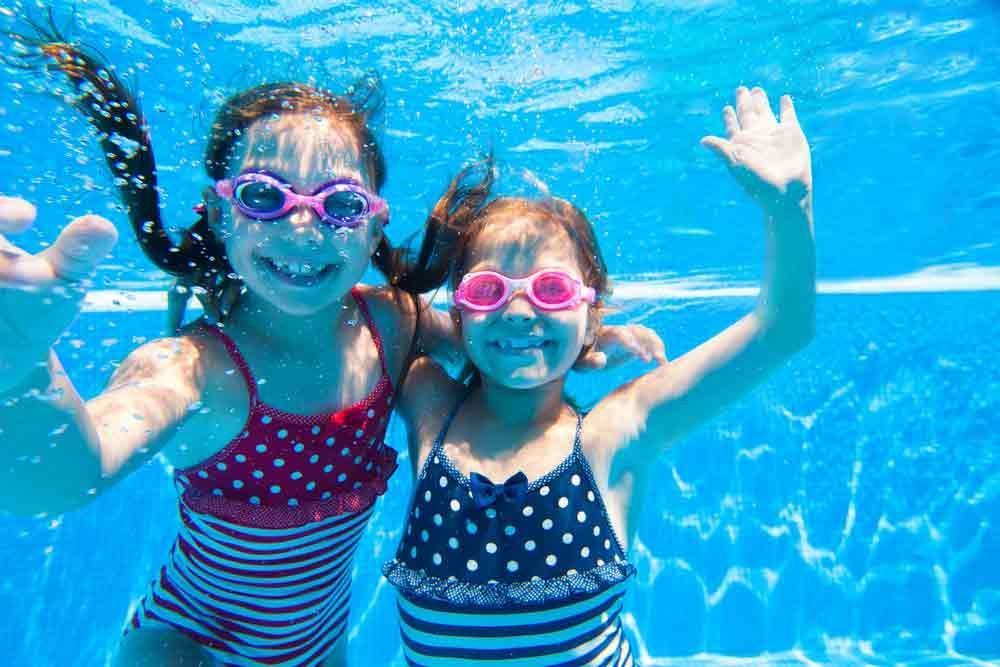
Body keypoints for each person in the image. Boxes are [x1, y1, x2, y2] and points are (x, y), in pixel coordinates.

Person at [0, 34, 663, 666]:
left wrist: (580, 330)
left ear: (373, 221)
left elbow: (491, 334)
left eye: (339, 203)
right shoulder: (194, 370)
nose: (302, 225)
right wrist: (18, 366)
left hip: (318, 647)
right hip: (187, 639)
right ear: (220, 212)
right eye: (263, 195)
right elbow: (61, 476)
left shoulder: (394, 326)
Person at [383, 86, 816, 666]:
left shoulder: (618, 431)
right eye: (489, 291)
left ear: (593, 310)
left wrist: (789, 209)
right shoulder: (429, 403)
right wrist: (572, 343)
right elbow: (377, 315)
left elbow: (781, 330)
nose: (517, 312)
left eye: (552, 291)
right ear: (458, 312)